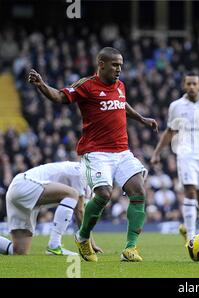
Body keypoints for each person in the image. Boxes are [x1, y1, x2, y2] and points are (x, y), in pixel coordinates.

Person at [27, 47, 158, 262]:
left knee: (139, 192)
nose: (119, 69)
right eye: (115, 65)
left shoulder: (120, 86)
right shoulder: (86, 85)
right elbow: (61, 97)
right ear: (102, 64)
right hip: (95, 152)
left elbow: (121, 104)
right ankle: (83, 237)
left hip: (122, 152)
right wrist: (42, 85)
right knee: (104, 194)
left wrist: (142, 119)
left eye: (121, 65)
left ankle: (130, 248)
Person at [151, 72, 199, 243]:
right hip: (185, 152)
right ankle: (191, 236)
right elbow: (170, 131)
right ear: (184, 86)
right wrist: (156, 153)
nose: (191, 87)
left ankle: (187, 226)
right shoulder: (176, 106)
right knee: (190, 190)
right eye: (188, 84)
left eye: (194, 84)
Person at [0, 162, 102, 256]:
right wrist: (90, 243)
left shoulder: (84, 175)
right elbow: (79, 211)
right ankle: (54, 245)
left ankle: (54, 246)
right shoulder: (80, 173)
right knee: (72, 194)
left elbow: (80, 210)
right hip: (25, 184)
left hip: (16, 190)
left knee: (19, 251)